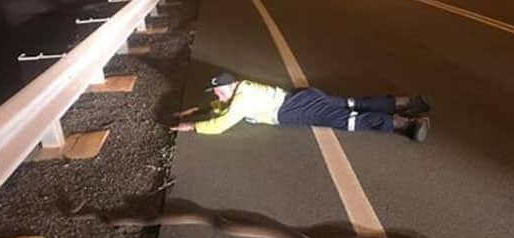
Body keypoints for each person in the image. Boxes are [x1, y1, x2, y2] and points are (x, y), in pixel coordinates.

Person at [171, 72, 431, 142]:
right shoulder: (243, 88)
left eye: (218, 90)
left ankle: (407, 124)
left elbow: (220, 125)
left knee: (348, 120)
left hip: (292, 110)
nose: (217, 95)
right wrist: (197, 110)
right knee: (350, 103)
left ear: (229, 87)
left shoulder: (241, 100)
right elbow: (220, 107)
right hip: (301, 98)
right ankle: (408, 102)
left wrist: (190, 127)